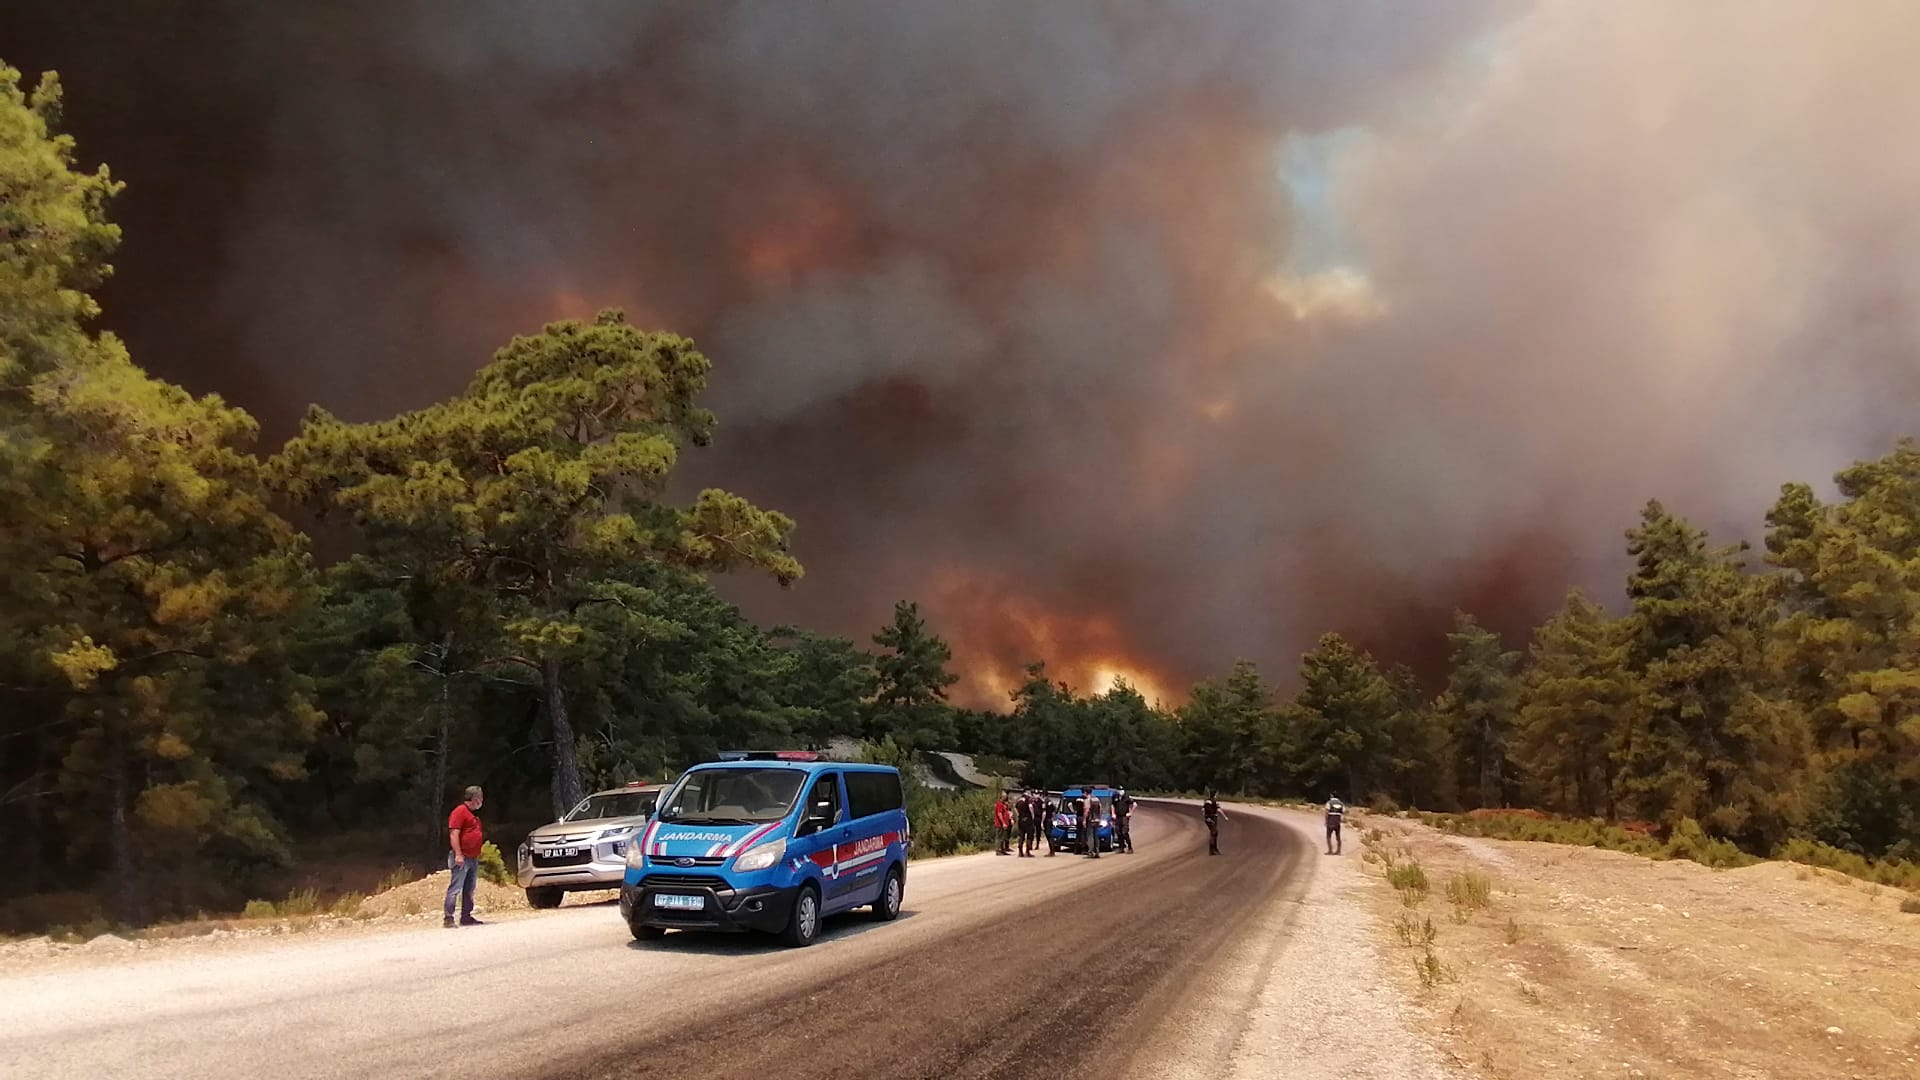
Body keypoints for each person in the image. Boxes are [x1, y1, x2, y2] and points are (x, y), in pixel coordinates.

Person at [445, 785, 486, 928]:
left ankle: (466, 916)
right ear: (474, 799)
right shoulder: (459, 812)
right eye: (480, 798)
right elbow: (454, 834)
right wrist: (458, 854)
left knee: (469, 889)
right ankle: (448, 918)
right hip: (462, 857)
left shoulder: (472, 814)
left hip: (472, 858)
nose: (481, 801)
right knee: (456, 887)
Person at [1112, 788, 1136, 854]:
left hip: (1124, 816)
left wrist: (1131, 813)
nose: (1120, 792)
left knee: (1124, 832)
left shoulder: (1127, 797)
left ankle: (1130, 847)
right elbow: (1112, 805)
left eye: (1121, 790)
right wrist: (1113, 813)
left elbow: (1135, 804)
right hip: (1117, 816)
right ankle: (1121, 847)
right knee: (1118, 832)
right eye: (1119, 790)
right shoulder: (1115, 797)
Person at [1014, 788, 1036, 857]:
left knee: (1021, 835)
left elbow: (1015, 808)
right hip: (1028, 819)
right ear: (1028, 791)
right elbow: (1030, 807)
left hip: (1021, 819)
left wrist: (1018, 815)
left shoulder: (1019, 799)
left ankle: (1020, 852)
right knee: (1029, 835)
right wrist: (1032, 816)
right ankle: (1027, 851)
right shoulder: (1028, 799)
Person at [1081, 789, 1102, 858]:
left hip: (1090, 820)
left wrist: (1084, 820)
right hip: (1097, 820)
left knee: (1090, 836)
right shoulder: (1096, 799)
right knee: (1096, 836)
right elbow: (1100, 809)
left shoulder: (1087, 800)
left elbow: (1086, 811)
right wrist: (1099, 818)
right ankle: (1097, 852)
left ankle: (1091, 852)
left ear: (1085, 792)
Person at [994, 791, 1014, 855]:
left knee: (1003, 837)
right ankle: (998, 850)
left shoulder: (1003, 804)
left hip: (1004, 824)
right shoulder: (999, 804)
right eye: (1004, 797)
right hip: (1000, 824)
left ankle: (1003, 850)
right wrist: (1003, 823)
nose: (1005, 798)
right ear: (1001, 797)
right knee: (999, 837)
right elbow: (999, 814)